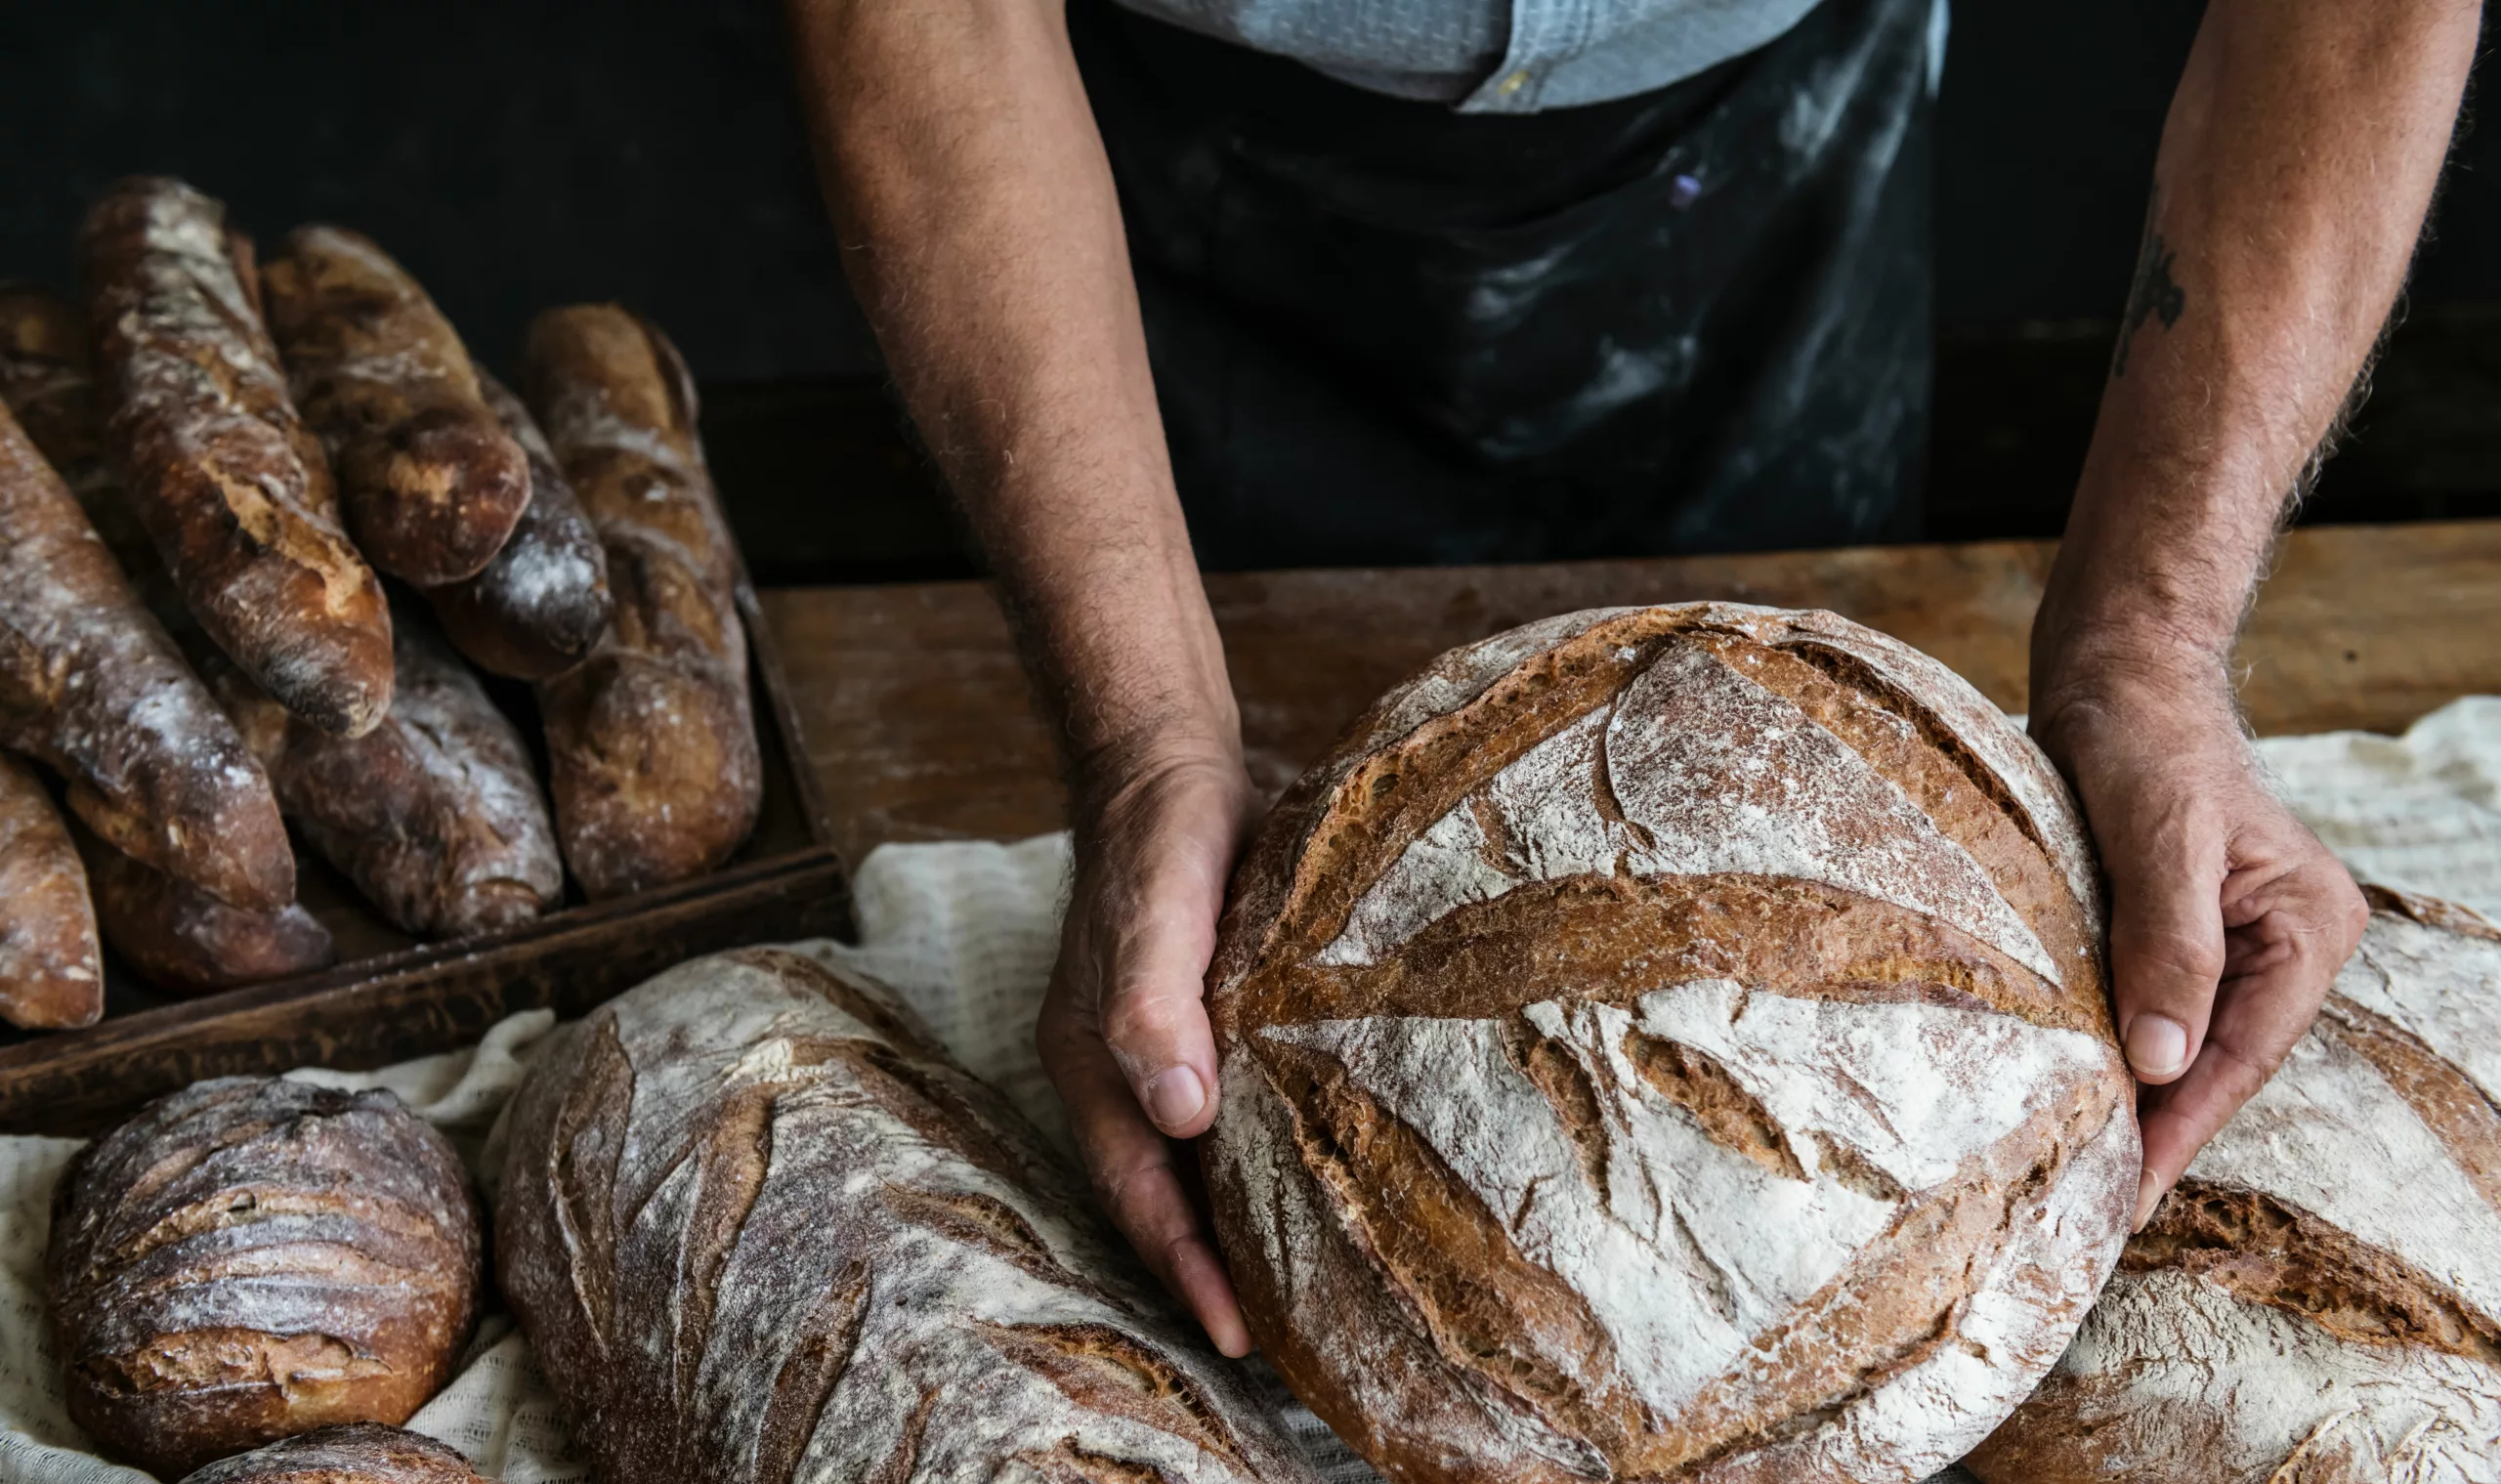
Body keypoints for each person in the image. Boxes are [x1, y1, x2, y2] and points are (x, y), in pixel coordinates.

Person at [786, 0, 2476, 1355]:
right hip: (1122, 194)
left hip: (1778, 128)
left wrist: (2152, 645)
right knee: (1240, 940)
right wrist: (1143, 733)